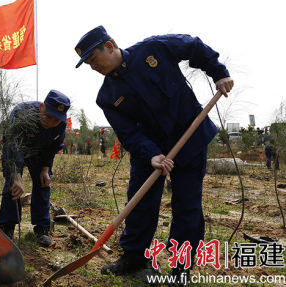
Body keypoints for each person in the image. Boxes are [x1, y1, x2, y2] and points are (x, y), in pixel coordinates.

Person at [74, 26, 234, 283]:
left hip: (189, 139)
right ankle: (134, 257)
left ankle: (181, 267)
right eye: (88, 63)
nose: (93, 66)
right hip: (149, 152)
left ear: (110, 46)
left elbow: (193, 45)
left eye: (94, 59)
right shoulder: (107, 96)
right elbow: (128, 134)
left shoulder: (154, 49)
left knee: (187, 203)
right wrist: (151, 155)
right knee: (139, 202)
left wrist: (218, 73)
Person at [0, 90, 70, 247]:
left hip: (39, 154)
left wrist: (45, 168)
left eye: (56, 120)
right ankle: (7, 226)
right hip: (16, 151)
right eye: (48, 116)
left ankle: (42, 228)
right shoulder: (21, 114)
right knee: (12, 186)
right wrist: (16, 175)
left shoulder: (60, 124)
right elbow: (12, 145)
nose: (51, 122)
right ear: (42, 107)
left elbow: (53, 147)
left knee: (43, 183)